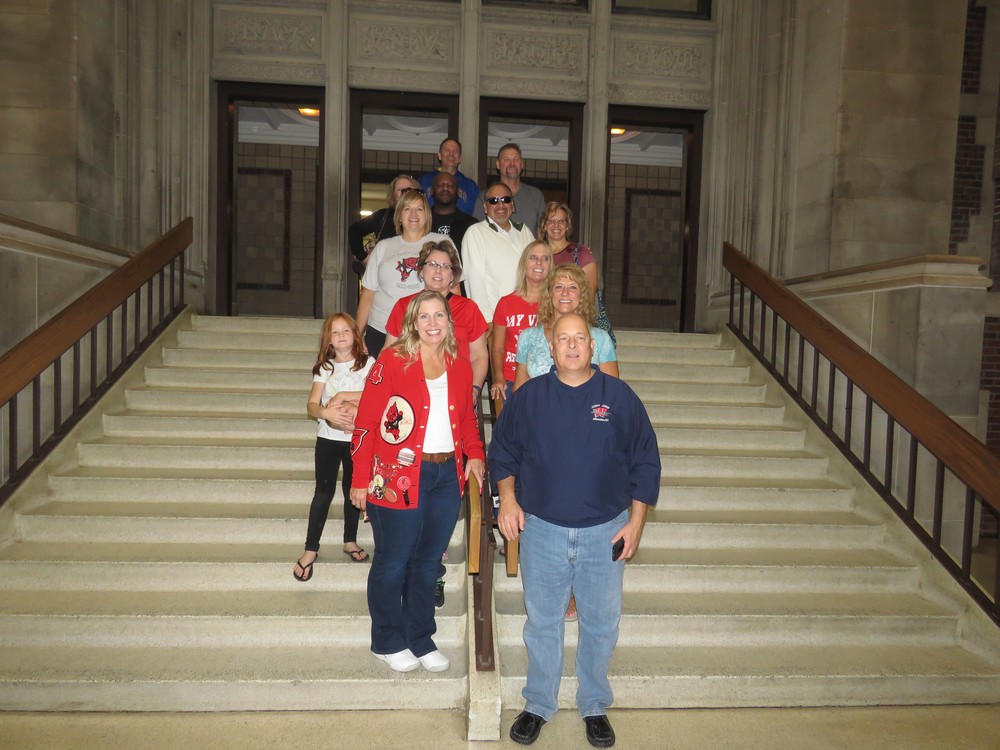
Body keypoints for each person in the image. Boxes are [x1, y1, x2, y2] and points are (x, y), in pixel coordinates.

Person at [489, 313, 661, 748]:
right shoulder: (528, 398)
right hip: (542, 530)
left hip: (606, 531)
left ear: (592, 345)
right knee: (543, 622)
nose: (570, 345)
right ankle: (538, 703)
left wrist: (636, 523)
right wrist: (508, 499)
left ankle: (594, 705)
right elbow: (503, 451)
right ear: (551, 348)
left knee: (601, 623)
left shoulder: (619, 397)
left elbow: (645, 460)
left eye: (579, 338)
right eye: (562, 338)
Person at [349, 290, 486, 674]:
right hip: (398, 476)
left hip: (446, 477)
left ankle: (421, 638)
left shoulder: (460, 365)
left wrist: (475, 453)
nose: (432, 323)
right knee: (393, 561)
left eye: (439, 315)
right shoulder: (392, 361)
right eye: (424, 316)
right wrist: (360, 479)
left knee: (427, 564)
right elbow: (366, 422)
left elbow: (467, 418)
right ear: (412, 322)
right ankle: (387, 640)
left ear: (449, 322)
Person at [383, 241, 490, 609]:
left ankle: (433, 577)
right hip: (410, 425)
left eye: (446, 266)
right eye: (432, 264)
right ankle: (406, 578)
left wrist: (472, 390)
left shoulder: (468, 309)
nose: (439, 271)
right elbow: (388, 357)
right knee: (409, 512)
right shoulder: (403, 307)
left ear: (454, 274)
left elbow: (479, 354)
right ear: (421, 270)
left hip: (452, 415)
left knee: (438, 515)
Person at [293, 313, 374, 582]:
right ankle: (310, 548)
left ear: (355, 334)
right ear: (328, 339)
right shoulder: (324, 368)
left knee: (353, 489)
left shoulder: (368, 364)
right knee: (323, 491)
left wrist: (344, 397)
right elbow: (312, 405)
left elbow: (376, 395)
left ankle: (350, 540)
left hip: (358, 440)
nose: (340, 336)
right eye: (334, 332)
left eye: (345, 331)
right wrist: (325, 413)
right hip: (328, 439)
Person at [354, 189, 449, 356]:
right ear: (399, 216)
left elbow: (453, 290)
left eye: (419, 209)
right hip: (380, 329)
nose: (413, 214)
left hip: (426, 330)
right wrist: (357, 334)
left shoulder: (441, 242)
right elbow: (368, 294)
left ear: (427, 215)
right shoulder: (383, 247)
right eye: (407, 209)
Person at [513, 264, 618, 391]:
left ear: (582, 295)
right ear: (550, 294)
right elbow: (519, 391)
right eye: (559, 287)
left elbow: (612, 391)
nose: (565, 293)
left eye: (572, 287)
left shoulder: (601, 339)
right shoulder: (528, 337)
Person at [538, 202, 615, 345]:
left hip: (574, 325)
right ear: (544, 225)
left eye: (561, 221)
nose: (556, 225)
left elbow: (588, 294)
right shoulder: (537, 254)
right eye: (551, 221)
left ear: (567, 226)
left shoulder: (580, 253)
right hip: (541, 322)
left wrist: (569, 322)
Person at [489, 240, 553, 403]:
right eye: (533, 257)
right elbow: (497, 348)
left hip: (546, 379)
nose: (539, 262)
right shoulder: (506, 303)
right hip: (511, 379)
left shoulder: (556, 304)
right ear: (524, 264)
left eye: (545, 258)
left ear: (550, 266)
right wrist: (498, 377)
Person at [462, 182, 535, 324]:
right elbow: (474, 281)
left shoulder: (524, 230)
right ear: (485, 207)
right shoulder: (476, 233)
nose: (500, 205)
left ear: (512, 205)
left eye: (506, 200)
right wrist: (486, 320)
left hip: (528, 315)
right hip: (497, 320)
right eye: (494, 201)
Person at [347, 174, 421, 274]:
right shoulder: (384, 215)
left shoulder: (424, 216)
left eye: (408, 189)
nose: (404, 192)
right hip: (384, 272)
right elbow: (354, 230)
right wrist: (365, 258)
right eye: (399, 189)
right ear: (394, 195)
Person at [473, 143, 546, 232]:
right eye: (506, 160)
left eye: (516, 159)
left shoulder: (536, 196)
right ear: (498, 164)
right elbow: (478, 231)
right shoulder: (485, 197)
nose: (512, 163)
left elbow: (543, 232)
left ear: (521, 164)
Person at [418, 137, 479, 214]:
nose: (451, 154)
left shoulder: (470, 186)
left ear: (460, 158)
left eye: (455, 151)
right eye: (447, 150)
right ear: (439, 155)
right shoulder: (424, 181)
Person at [428, 172, 477, 255]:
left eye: (450, 186)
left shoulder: (472, 225)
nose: (445, 188)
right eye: (440, 185)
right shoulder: (422, 222)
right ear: (431, 191)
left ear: (458, 192)